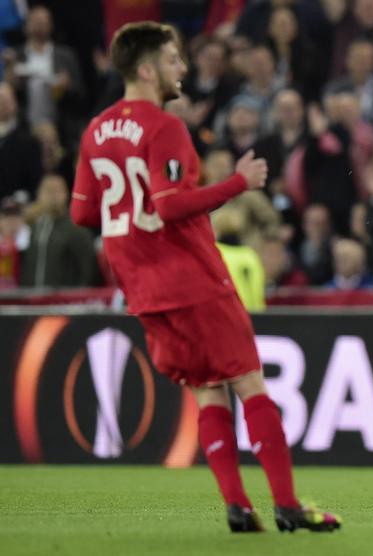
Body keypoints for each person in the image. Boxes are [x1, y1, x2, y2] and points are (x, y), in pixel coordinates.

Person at [69, 22, 339, 534]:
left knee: (207, 389)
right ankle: (287, 505)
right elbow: (170, 206)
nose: (182, 68)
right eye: (172, 59)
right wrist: (238, 182)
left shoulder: (95, 130)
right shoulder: (164, 126)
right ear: (146, 69)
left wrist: (129, 217)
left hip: (141, 287)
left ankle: (238, 507)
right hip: (190, 278)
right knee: (248, 381)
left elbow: (83, 213)